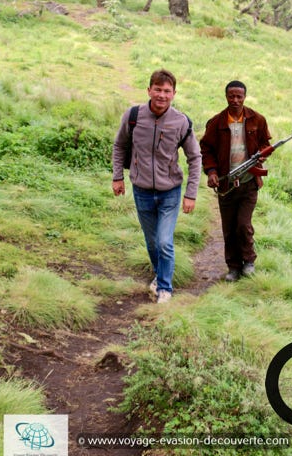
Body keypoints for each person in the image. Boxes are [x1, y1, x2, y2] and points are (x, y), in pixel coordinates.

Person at [112, 69, 201, 303]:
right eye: (158, 90)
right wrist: (117, 177)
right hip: (141, 190)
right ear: (149, 90)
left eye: (167, 91)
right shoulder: (133, 116)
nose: (162, 95)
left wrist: (191, 194)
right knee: (152, 242)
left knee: (164, 241)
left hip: (170, 192)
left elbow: (195, 157)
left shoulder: (181, 122)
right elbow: (119, 146)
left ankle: (165, 289)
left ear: (174, 93)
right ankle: (159, 274)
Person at [200, 80, 271, 282]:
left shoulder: (257, 119)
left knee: (243, 225)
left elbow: (266, 142)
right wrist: (212, 172)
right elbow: (206, 149)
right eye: (231, 96)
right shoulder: (216, 123)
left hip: (249, 183)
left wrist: (263, 154)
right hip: (227, 186)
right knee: (229, 228)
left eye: (239, 96)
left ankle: (248, 261)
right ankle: (233, 267)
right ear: (226, 97)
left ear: (245, 97)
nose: (235, 100)